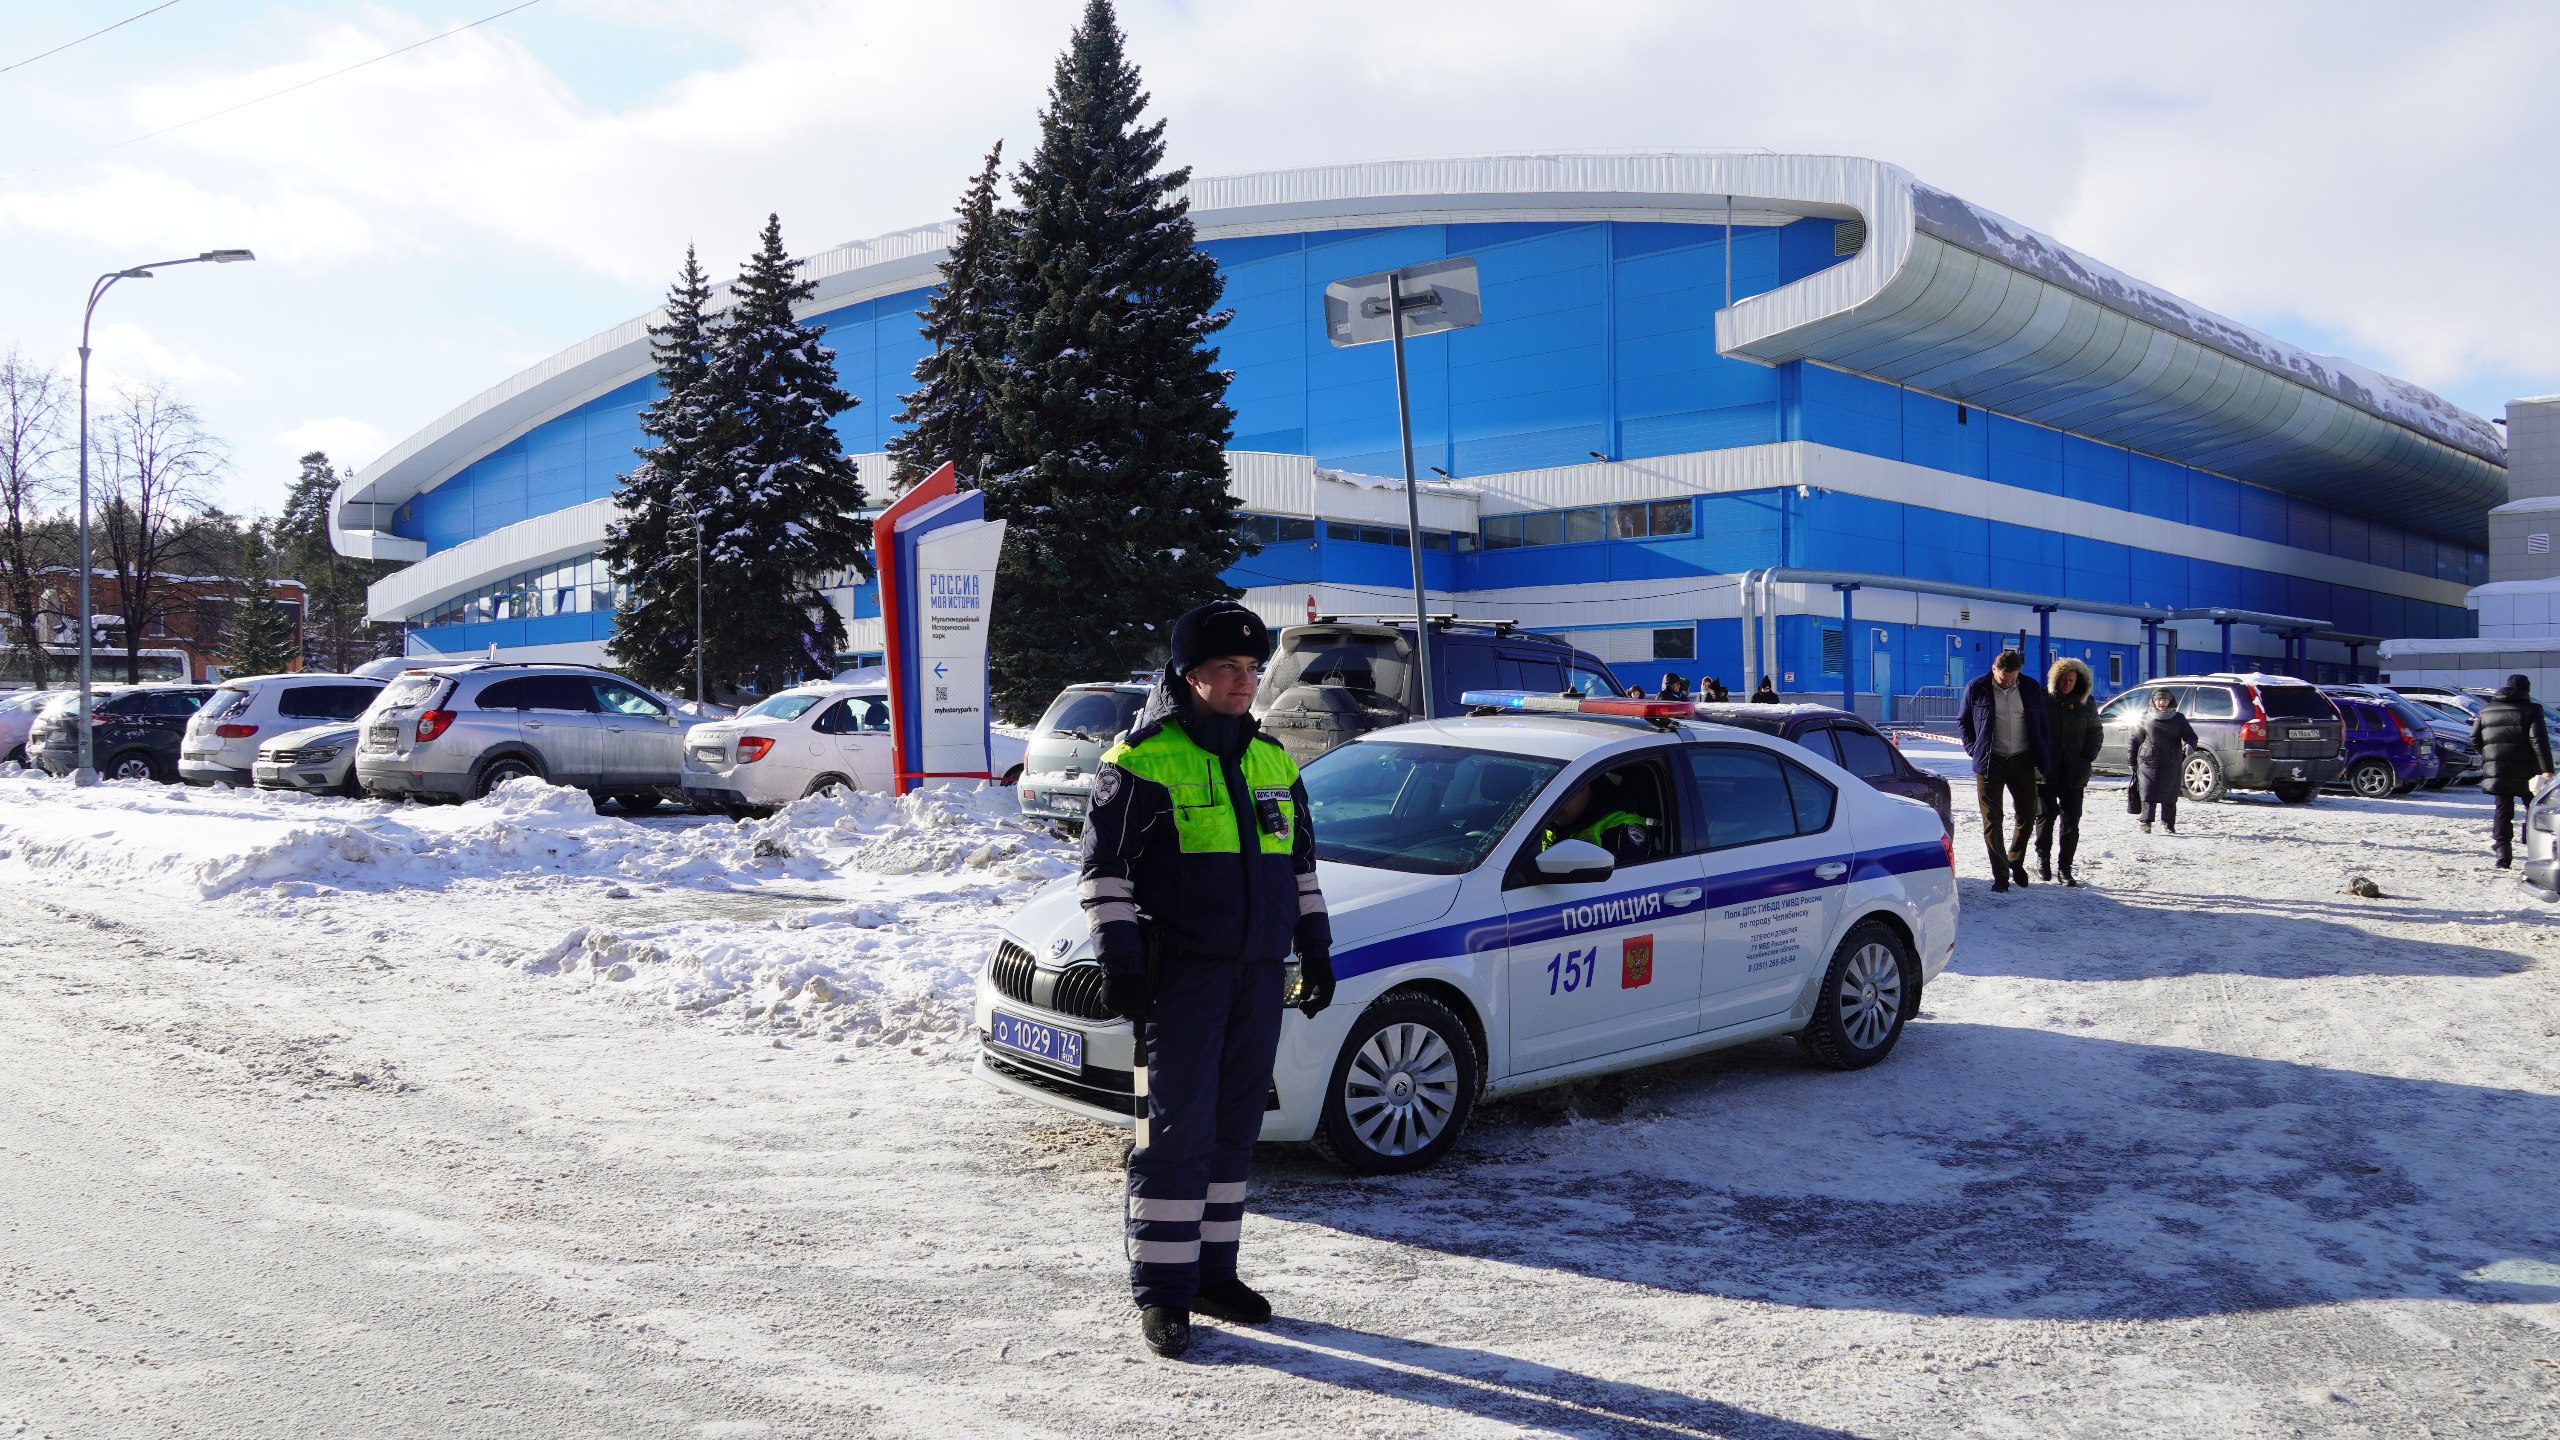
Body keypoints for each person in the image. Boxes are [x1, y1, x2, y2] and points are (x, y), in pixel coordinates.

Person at [1080, 601, 1334, 1359]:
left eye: (1253, 669)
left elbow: (1300, 871)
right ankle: (1163, 1292)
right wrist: (1120, 962)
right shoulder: (1141, 760)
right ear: (1189, 675)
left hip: (1257, 977)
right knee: (1175, 1136)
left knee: (1232, 1133)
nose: (1243, 682)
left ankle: (1212, 1275)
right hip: (1182, 982)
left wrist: (1316, 950)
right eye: (1228, 668)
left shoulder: (1274, 762)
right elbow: (1104, 872)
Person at [1958, 650, 2053, 892]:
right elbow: (1964, 721)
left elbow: (2042, 724)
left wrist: (2042, 752)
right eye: (2003, 677)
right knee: (1992, 819)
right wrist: (1974, 749)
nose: (2008, 682)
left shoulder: (2030, 687)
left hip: (2023, 758)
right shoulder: (1977, 687)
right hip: (1991, 761)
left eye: (2012, 677)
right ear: (1994, 669)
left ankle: (2015, 860)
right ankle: (2000, 874)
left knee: (2028, 812)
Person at [2470, 673, 2556, 868]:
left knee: (2502, 810)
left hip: (2498, 768)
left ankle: (2503, 854)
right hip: (2528, 770)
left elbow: (2474, 738)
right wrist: (2547, 770)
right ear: (2527, 690)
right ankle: (2535, 848)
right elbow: (2539, 741)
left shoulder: (2486, 710)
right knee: (2534, 808)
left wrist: (2490, 755)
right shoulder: (2532, 709)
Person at [2034, 657, 2103, 886]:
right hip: (2046, 771)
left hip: (2074, 772)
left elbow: (2095, 732)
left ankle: (2065, 867)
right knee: (2045, 817)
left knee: (2071, 821)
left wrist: (2087, 756)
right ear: (2056, 679)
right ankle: (2043, 860)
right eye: (2063, 680)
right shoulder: (2043, 700)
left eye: (2071, 680)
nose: (2067, 684)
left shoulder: (2087, 703)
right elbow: (2032, 730)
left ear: (2079, 681)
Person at [2126, 687, 2199, 834]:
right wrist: (2131, 761)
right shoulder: (2145, 717)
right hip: (2148, 760)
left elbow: (2191, 736)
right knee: (2147, 791)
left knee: (2170, 793)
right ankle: (2146, 822)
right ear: (2153, 701)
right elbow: (2135, 740)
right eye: (2158, 699)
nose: (2161, 702)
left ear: (2170, 701)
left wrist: (2190, 746)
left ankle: (2168, 824)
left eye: (2164, 699)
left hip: (2171, 761)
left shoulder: (2179, 718)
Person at [1538, 773, 1655, 861]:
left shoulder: (1622, 829)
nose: (1553, 806)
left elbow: (1622, 884)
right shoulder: (1540, 821)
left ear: (1583, 790)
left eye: (1561, 798)